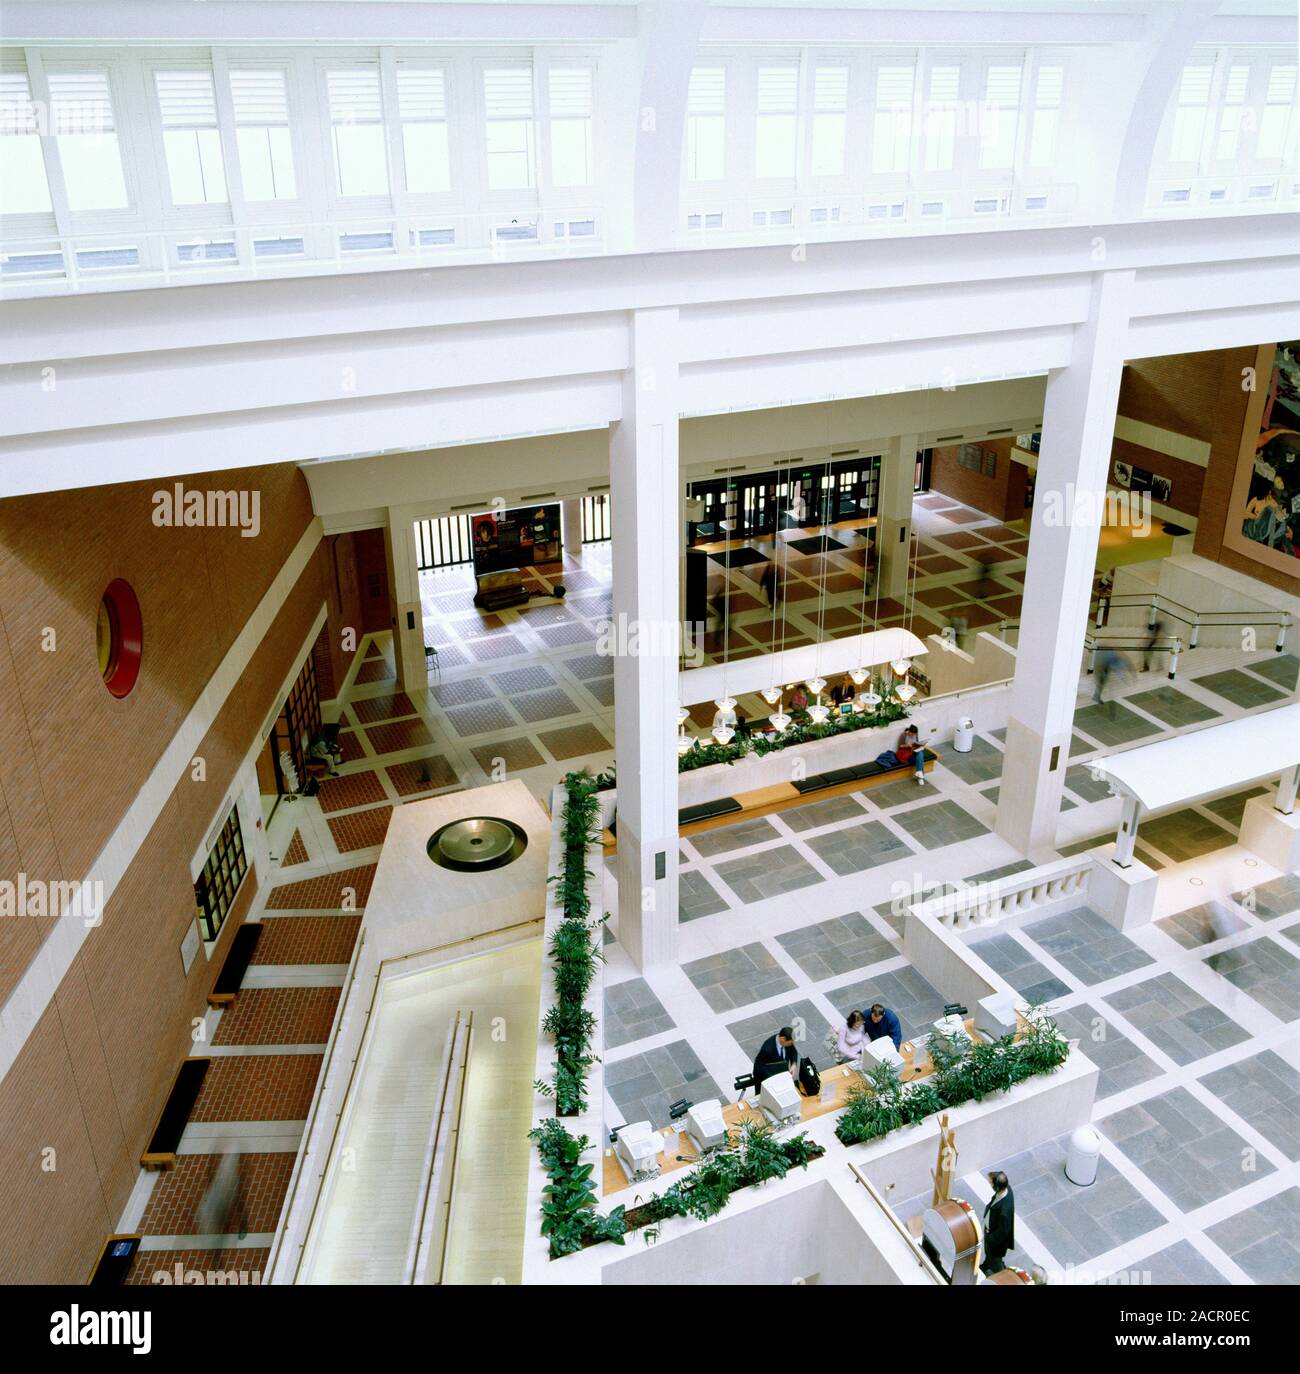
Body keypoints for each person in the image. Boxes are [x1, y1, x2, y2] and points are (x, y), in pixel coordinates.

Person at [981, 1171, 1015, 1276]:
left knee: (995, 1262)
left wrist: (990, 1238)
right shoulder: (1007, 1188)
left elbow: (1003, 1231)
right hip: (990, 1232)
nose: (989, 1183)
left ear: (997, 1188)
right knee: (989, 1254)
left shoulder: (1004, 1211)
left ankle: (1001, 1276)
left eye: (991, 1182)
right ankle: (986, 1265)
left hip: (994, 1241)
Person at [752, 1026, 798, 1095]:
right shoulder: (767, 1049)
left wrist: (794, 1064)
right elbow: (758, 1067)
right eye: (790, 1043)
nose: (791, 1045)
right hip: (768, 1078)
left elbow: (793, 1052)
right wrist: (774, 1080)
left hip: (781, 1076)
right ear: (783, 1039)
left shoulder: (787, 1042)